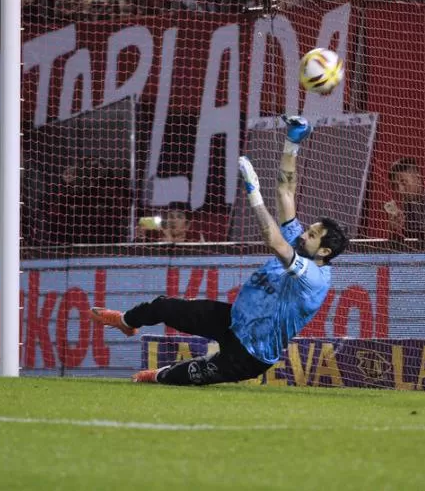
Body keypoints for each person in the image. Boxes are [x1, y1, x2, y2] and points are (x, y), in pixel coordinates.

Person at [91, 115, 349, 385]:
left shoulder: (314, 278)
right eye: (309, 229)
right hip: (233, 319)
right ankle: (126, 321)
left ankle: (158, 375)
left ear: (324, 253)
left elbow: (274, 242)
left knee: (181, 376)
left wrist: (254, 193)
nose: (303, 233)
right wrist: (292, 142)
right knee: (163, 306)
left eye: (312, 235)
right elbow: (286, 190)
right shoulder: (299, 241)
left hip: (251, 354)